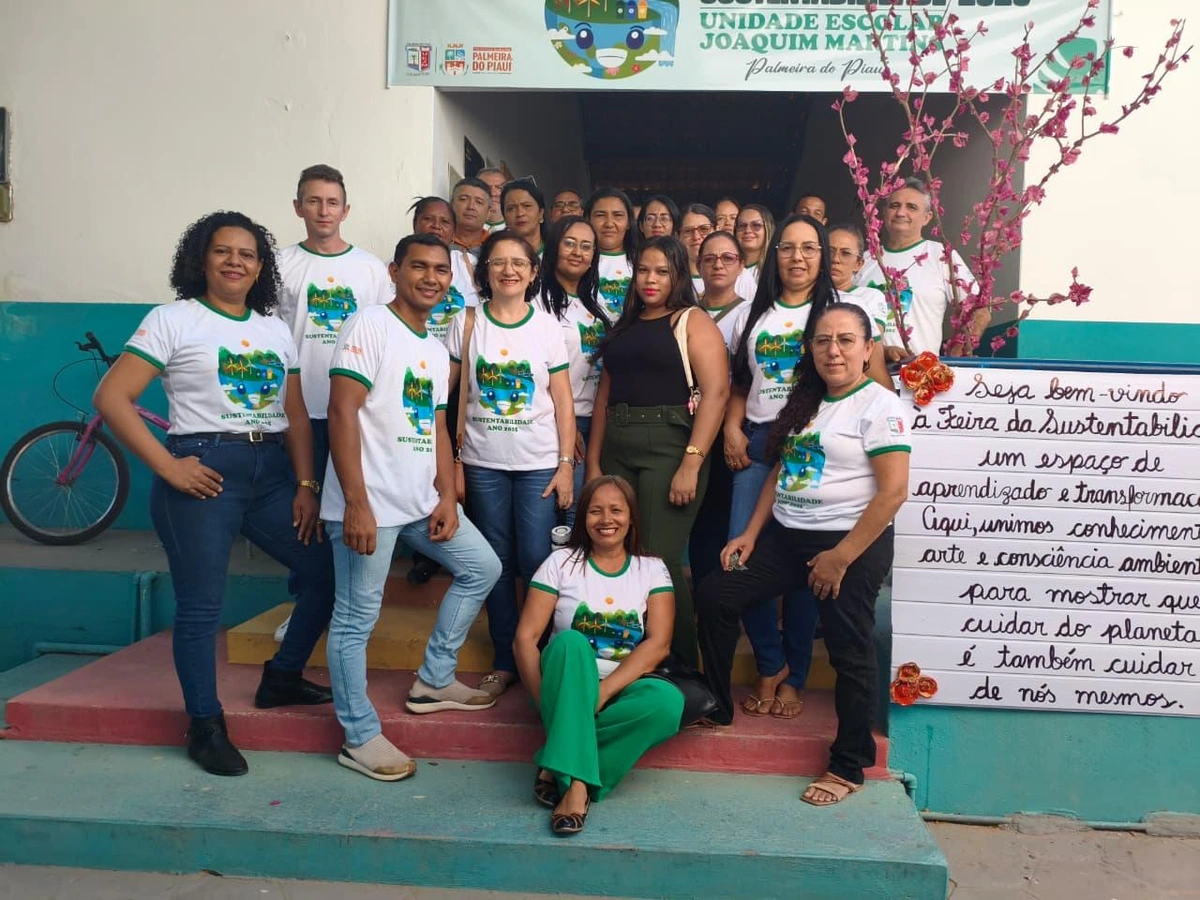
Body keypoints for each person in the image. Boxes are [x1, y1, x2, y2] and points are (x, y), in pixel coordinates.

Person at [93, 211, 335, 777]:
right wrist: (169, 468)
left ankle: (281, 677)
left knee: (328, 571)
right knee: (202, 607)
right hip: (204, 470)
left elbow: (295, 412)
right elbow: (112, 397)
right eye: (223, 251)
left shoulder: (275, 328)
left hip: (271, 470)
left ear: (260, 267)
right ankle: (204, 724)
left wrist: (304, 483)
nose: (235, 262)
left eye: (247, 254)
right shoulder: (174, 319)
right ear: (201, 260)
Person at [696, 301, 911, 806]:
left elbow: (893, 493)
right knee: (715, 593)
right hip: (788, 538)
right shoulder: (807, 400)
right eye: (822, 341)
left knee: (847, 647)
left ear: (867, 349)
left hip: (850, 541)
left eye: (845, 340)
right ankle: (718, 705)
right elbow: (780, 471)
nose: (832, 350)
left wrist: (841, 557)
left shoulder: (880, 406)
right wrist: (751, 532)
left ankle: (848, 764)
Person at [322, 233, 502, 782]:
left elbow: (438, 431)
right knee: (355, 620)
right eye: (418, 267)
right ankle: (359, 735)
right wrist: (355, 503)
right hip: (369, 505)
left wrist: (447, 494)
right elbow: (341, 411)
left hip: (421, 502)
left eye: (439, 270)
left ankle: (433, 679)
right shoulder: (369, 324)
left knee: (482, 567)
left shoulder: (431, 345)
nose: (430, 278)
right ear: (395, 271)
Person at [586, 236, 730, 668]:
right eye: (644, 270)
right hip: (617, 442)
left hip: (670, 446)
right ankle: (628, 657)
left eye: (662, 272)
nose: (651, 280)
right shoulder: (624, 326)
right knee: (619, 554)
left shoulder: (692, 320)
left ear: (679, 277)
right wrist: (593, 462)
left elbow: (718, 393)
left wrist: (691, 460)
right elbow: (603, 398)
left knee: (658, 559)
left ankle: (684, 668)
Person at [445, 230, 576, 698]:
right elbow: (447, 398)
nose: (508, 270)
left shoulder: (548, 327)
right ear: (485, 272)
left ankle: (539, 652)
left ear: (533, 271)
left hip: (539, 462)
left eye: (518, 262)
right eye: (498, 262)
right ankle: (506, 659)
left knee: (537, 560)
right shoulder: (465, 323)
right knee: (496, 562)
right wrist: (453, 463)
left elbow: (562, 399)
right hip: (482, 463)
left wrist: (565, 464)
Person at [514, 475, 683, 835]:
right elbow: (526, 640)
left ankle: (556, 760)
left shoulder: (651, 568)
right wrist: (546, 704)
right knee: (572, 643)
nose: (606, 519)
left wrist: (603, 695)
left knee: (667, 702)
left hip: (618, 687)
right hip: (565, 680)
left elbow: (658, 644)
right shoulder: (560, 563)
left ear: (632, 518)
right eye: (595, 511)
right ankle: (576, 788)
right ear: (583, 520)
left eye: (616, 510)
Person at [723, 214, 835, 719]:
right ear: (774, 256)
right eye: (787, 247)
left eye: (808, 247)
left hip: (811, 445)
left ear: (822, 255)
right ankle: (770, 663)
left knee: (802, 563)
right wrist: (732, 426)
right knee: (741, 559)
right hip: (756, 443)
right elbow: (742, 381)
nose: (797, 257)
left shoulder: (834, 311)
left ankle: (797, 672)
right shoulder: (756, 312)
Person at [857, 177, 986, 359]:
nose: (901, 212)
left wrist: (958, 355)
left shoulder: (941, 255)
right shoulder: (863, 260)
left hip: (922, 378)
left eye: (912, 207)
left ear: (927, 218)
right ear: (884, 213)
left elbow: (980, 311)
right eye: (894, 205)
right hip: (867, 376)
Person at [536, 215, 610, 525]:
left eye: (586, 246)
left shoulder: (597, 301)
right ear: (553, 247)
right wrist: (565, 426)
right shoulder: (536, 300)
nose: (578, 252)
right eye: (569, 244)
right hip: (561, 422)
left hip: (596, 421)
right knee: (566, 513)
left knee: (586, 510)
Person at [686, 230, 748, 592]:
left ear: (740, 265)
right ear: (698, 265)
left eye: (727, 258)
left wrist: (731, 426)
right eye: (709, 258)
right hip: (688, 428)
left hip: (730, 430)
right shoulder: (683, 310)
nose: (718, 265)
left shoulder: (750, 313)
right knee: (699, 523)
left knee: (729, 520)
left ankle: (728, 602)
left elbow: (743, 381)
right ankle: (702, 604)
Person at [828, 223, 892, 390]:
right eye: (829, 251)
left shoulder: (869, 297)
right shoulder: (805, 296)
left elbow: (871, 351)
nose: (835, 259)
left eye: (846, 253)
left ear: (859, 264)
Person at [410, 196, 479, 343]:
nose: (436, 226)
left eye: (445, 221)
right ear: (414, 223)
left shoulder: (472, 265)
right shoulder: (394, 266)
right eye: (428, 219)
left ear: (454, 231)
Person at [586, 187, 638, 320]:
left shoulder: (642, 261)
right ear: (588, 220)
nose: (609, 223)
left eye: (618, 215)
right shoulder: (577, 261)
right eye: (600, 215)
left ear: (628, 223)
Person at [733, 204, 775, 302]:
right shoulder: (726, 267)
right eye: (742, 226)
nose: (748, 230)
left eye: (756, 225)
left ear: (768, 229)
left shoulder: (775, 269)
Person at [501, 179, 547, 258]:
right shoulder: (498, 254)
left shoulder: (556, 253)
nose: (520, 213)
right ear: (504, 217)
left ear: (541, 213)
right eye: (511, 208)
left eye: (527, 206)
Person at [679, 203, 717, 298]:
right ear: (677, 235)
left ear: (716, 230)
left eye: (704, 229)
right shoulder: (671, 277)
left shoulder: (739, 275)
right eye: (688, 231)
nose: (696, 237)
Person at [450, 176, 492, 256]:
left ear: (488, 212)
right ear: (451, 205)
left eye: (479, 202)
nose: (471, 207)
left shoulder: (495, 246)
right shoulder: (440, 240)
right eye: (463, 199)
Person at [477, 166, 507, 233]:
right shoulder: (462, 226)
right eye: (487, 188)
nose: (493, 193)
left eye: (499, 188)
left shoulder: (517, 229)